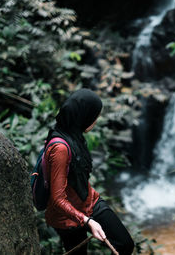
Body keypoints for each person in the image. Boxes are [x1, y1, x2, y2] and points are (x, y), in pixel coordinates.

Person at [44, 88, 134, 254]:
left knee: (125, 244)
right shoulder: (60, 148)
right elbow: (57, 199)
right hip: (67, 215)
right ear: (83, 116)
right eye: (94, 116)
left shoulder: (73, 135)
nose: (95, 120)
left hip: (89, 201)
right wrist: (87, 222)